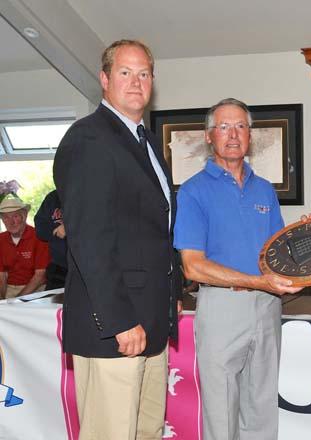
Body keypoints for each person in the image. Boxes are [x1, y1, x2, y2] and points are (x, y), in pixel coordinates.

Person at [53, 39, 181, 439]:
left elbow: (149, 231)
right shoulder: (89, 138)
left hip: (151, 322)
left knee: (146, 431)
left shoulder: (143, 140)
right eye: (125, 72)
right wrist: (121, 321)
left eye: (144, 73)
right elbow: (89, 240)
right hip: (116, 327)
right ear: (105, 79)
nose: (136, 82)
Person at [174, 98, 302, 440]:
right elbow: (192, 266)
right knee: (222, 411)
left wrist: (308, 251)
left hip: (267, 307)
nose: (233, 134)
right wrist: (258, 281)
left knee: (262, 409)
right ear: (208, 136)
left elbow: (278, 253)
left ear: (250, 135)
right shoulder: (193, 192)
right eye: (224, 127)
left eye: (241, 126)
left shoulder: (264, 190)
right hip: (222, 309)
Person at [0, 195, 49, 299]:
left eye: (15, 216)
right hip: (9, 289)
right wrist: (2, 301)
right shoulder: (1, 239)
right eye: (5, 217)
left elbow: (40, 276)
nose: (10, 222)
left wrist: (17, 300)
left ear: (25, 215)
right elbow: (2, 275)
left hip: (35, 289)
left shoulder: (38, 236)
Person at [34, 190, 67, 289]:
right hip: (59, 266)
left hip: (85, 265)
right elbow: (40, 230)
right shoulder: (52, 197)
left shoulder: (87, 193)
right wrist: (56, 231)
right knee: (52, 301)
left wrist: (69, 227)